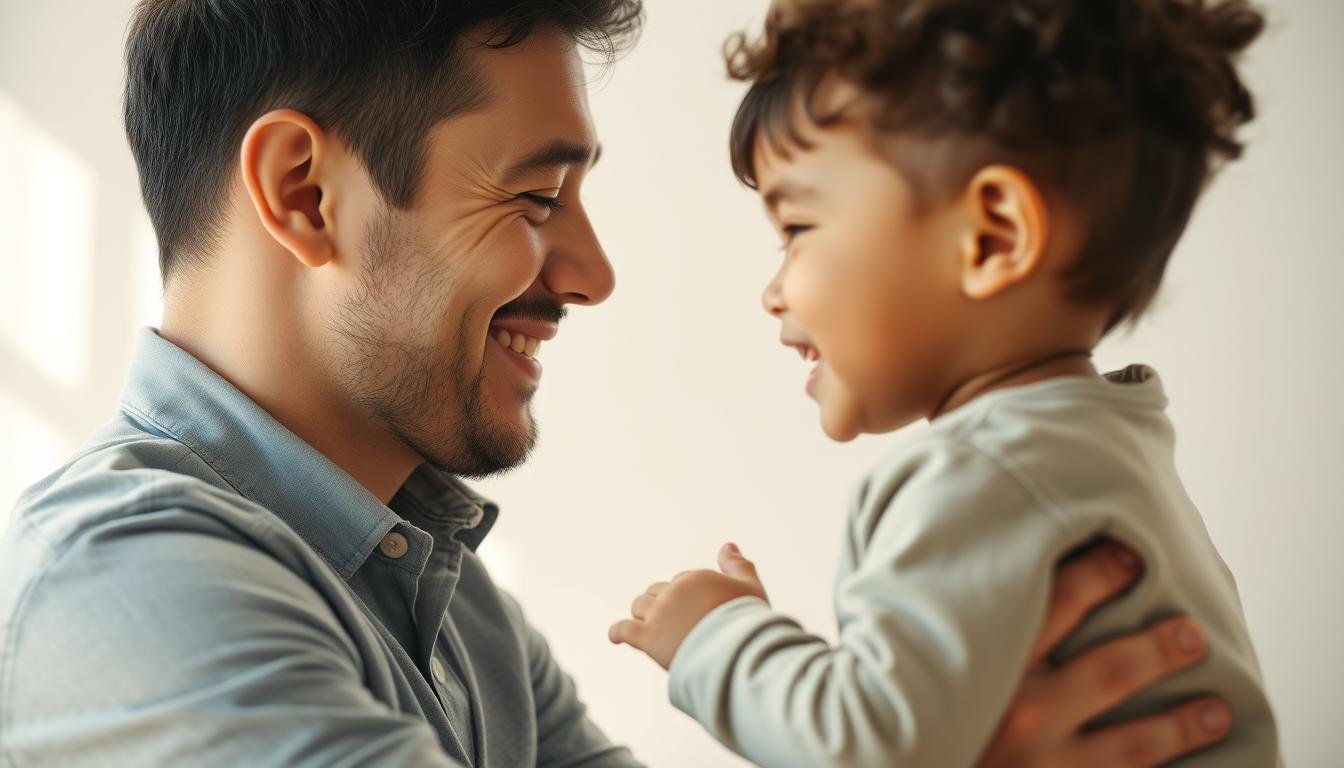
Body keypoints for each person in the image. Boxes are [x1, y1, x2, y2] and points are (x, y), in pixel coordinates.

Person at [0, 1, 1233, 766]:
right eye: (536, 199)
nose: (591, 273)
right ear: (305, 194)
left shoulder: (453, 608)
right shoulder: (135, 583)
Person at [608, 0, 1279, 766]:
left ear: (991, 237)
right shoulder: (1110, 449)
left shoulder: (981, 474)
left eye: (796, 230)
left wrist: (716, 638)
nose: (773, 290)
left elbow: (864, 750)